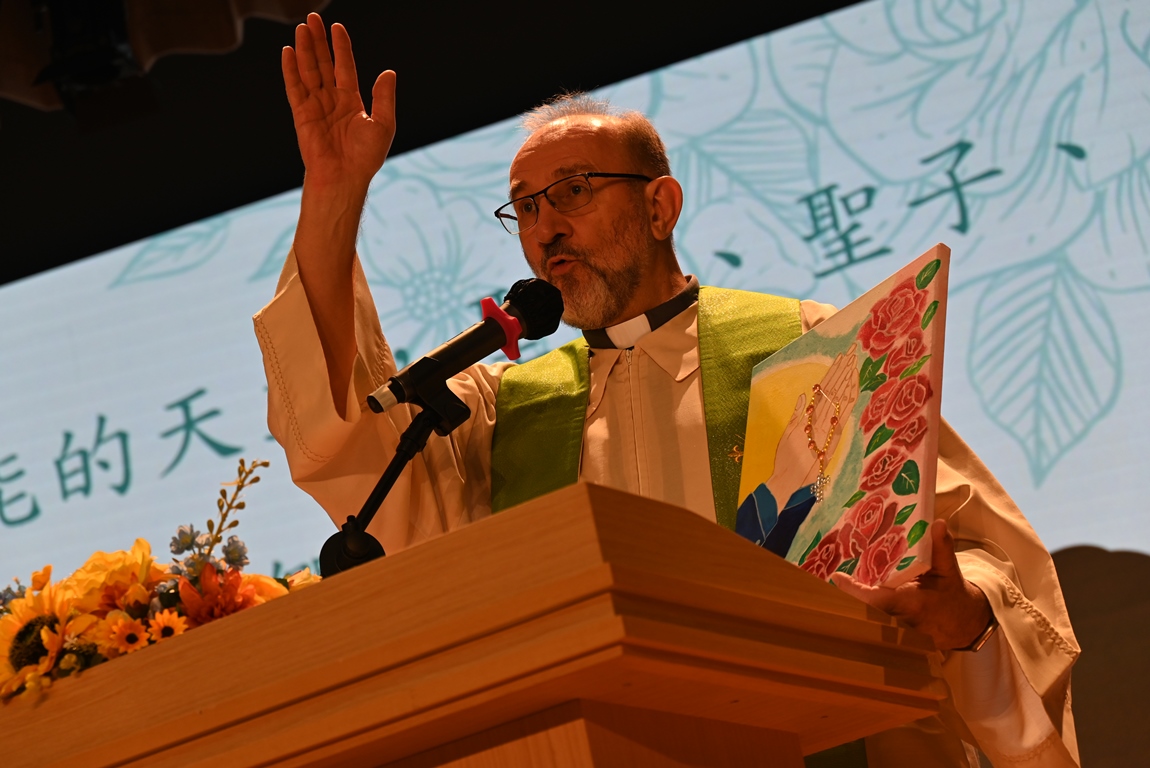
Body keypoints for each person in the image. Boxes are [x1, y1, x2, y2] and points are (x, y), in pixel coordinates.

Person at [254, 14, 1080, 767]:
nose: (545, 227)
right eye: (525, 208)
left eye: (573, 191)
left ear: (661, 206)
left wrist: (968, 614)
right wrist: (334, 194)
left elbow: (966, 554)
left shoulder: (813, 346)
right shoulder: (502, 411)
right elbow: (349, 439)